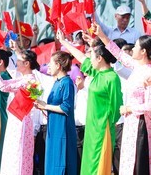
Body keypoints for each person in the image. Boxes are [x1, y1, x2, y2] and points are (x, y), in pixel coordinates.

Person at [58, 31, 122, 174]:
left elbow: (117, 106)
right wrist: (64, 42)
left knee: (98, 164)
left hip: (103, 128)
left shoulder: (112, 78)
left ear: (99, 58)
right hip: (91, 126)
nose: (89, 58)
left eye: (92, 56)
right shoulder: (97, 73)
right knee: (88, 162)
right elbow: (81, 58)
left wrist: (106, 125)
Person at [94, 23, 151, 174]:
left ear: (144, 51)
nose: (132, 49)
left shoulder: (148, 73)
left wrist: (130, 108)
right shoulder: (137, 67)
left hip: (142, 124)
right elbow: (118, 54)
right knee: (128, 161)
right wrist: (102, 36)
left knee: (139, 163)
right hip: (131, 123)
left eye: (136, 46)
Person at [0, 50, 40, 175]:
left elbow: (4, 87)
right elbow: (2, 83)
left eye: (19, 61)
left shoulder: (30, 81)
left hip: (21, 119)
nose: (16, 63)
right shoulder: (25, 79)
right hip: (16, 118)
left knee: (18, 153)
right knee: (12, 153)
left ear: (26, 63)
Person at [35, 51, 78, 175]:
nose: (48, 66)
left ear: (58, 65)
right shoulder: (57, 82)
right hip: (53, 127)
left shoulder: (66, 82)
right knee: (52, 160)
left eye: (51, 63)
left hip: (62, 128)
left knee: (61, 159)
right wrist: (41, 105)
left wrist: (46, 106)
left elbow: (66, 107)